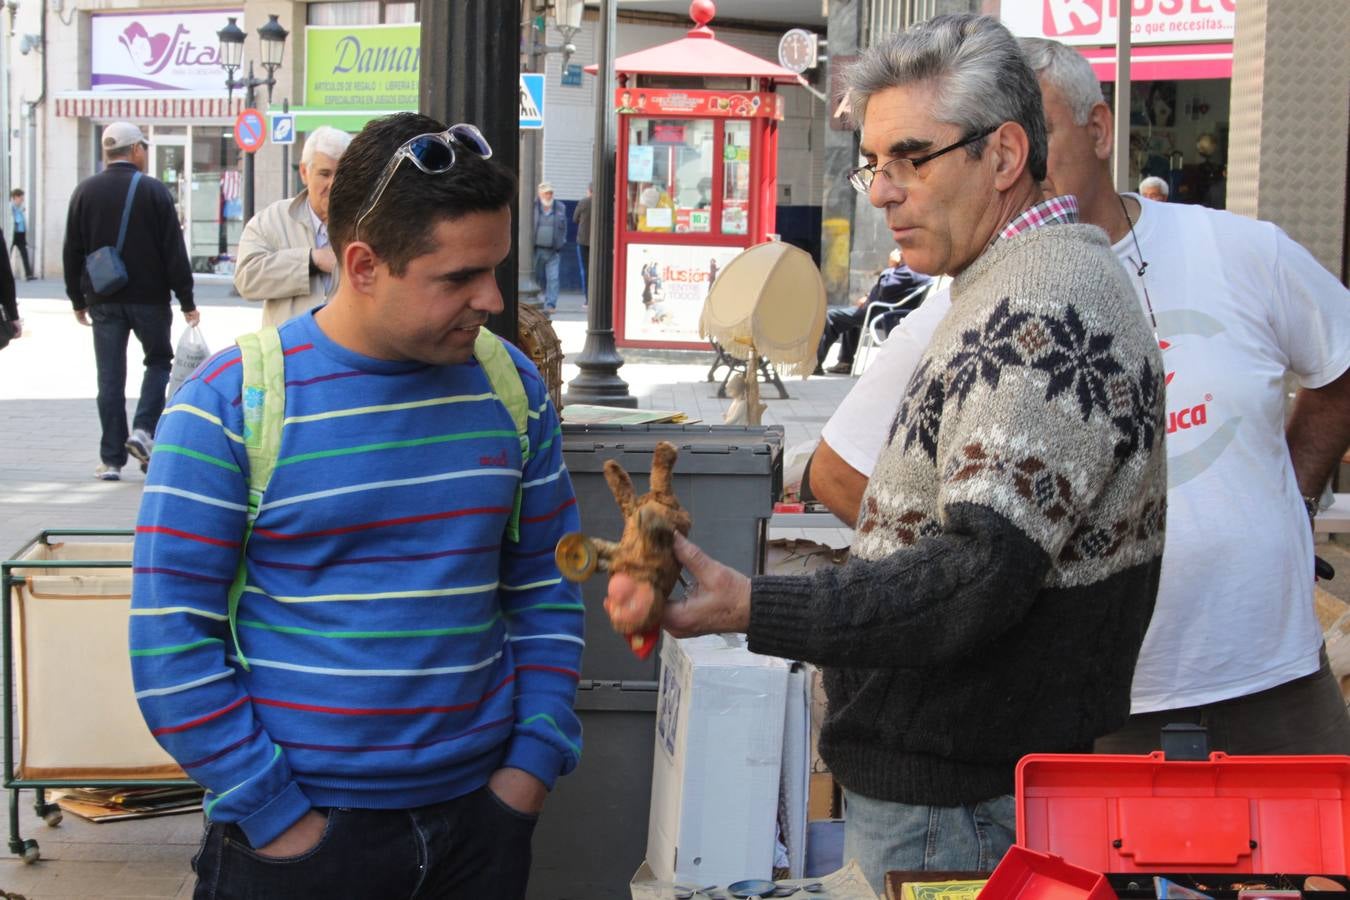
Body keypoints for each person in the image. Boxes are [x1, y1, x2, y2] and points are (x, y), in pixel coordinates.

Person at [607, 15, 1166, 887]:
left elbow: (977, 573)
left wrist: (754, 604)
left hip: (957, 804)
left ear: (1005, 155)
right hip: (950, 790)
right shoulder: (1012, 284)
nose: (882, 191)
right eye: (873, 162)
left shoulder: (1045, 301)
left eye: (911, 157)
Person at [130, 113, 584, 899]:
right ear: (363, 265)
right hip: (297, 842)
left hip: (481, 826)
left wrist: (528, 770)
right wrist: (280, 819)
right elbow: (171, 645)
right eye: (458, 278)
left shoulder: (510, 389)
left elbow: (547, 590)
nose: (491, 297)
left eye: (497, 267)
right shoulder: (230, 405)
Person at [1016, 37, 1350, 757]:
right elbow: (844, 470)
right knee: (1100, 877)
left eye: (1038, 133)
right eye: (998, 144)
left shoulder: (1240, 252)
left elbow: (1342, 363)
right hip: (1087, 699)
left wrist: (1295, 489)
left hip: (1272, 677)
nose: (1023, 166)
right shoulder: (976, 295)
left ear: (1099, 130)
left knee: (1325, 868)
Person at [62, 121, 196, 482]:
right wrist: (186, 299)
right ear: (136, 150)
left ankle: (111, 461)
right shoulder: (153, 191)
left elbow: (72, 250)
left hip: (103, 299)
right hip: (150, 299)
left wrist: (77, 299)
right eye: (144, 148)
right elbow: (173, 249)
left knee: (109, 377)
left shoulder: (85, 191)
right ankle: (143, 431)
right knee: (158, 361)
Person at [234, 126, 352, 326]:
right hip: (287, 354)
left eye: (341, 175)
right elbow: (247, 279)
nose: (334, 184)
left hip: (347, 353)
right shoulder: (271, 220)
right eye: (325, 174)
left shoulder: (367, 224)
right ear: (305, 173)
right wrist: (311, 260)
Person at [815, 247, 930, 374]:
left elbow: (886, 288)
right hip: (878, 308)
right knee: (849, 319)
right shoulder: (912, 270)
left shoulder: (912, 270)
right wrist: (868, 296)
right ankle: (845, 362)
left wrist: (891, 267)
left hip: (883, 312)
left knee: (831, 316)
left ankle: (815, 363)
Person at [533, 181, 566, 315]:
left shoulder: (560, 207)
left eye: (550, 193)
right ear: (540, 194)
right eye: (546, 193)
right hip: (536, 250)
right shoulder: (533, 207)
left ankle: (550, 304)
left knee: (553, 278)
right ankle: (533, 302)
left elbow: (564, 228)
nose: (548, 195)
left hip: (553, 250)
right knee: (534, 277)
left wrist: (561, 243)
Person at [573, 182, 592, 300]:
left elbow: (575, 218)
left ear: (589, 190)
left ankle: (587, 298)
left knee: (585, 270)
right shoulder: (604, 202)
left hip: (583, 240)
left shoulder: (583, 202)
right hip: (598, 244)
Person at [10, 189, 35, 280]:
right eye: (21, 198)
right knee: (8, 253)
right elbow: (15, 220)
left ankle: (28, 274)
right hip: (12, 234)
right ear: (15, 197)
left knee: (24, 253)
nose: (22, 200)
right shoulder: (10, 207)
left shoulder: (20, 208)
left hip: (20, 234)